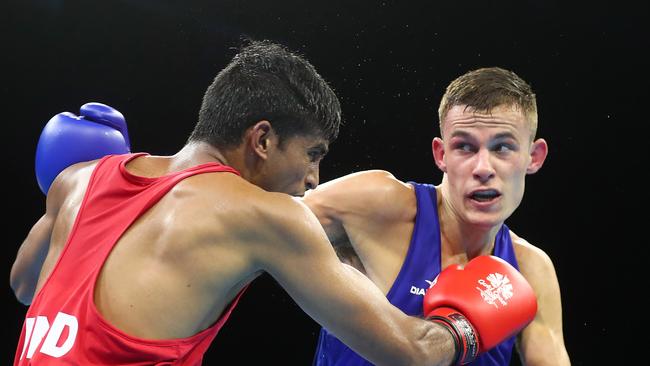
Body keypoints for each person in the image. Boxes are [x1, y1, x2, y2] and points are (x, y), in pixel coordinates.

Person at [9, 41, 535, 365]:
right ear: (262, 140)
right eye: (312, 154)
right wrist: (464, 327)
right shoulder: (264, 216)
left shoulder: (78, 180)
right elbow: (412, 353)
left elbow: (25, 287)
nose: (312, 178)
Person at [304, 67, 571, 365]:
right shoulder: (378, 204)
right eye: (464, 147)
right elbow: (264, 215)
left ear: (533, 157)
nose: (483, 167)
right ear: (441, 154)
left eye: (503, 147)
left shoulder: (530, 269)